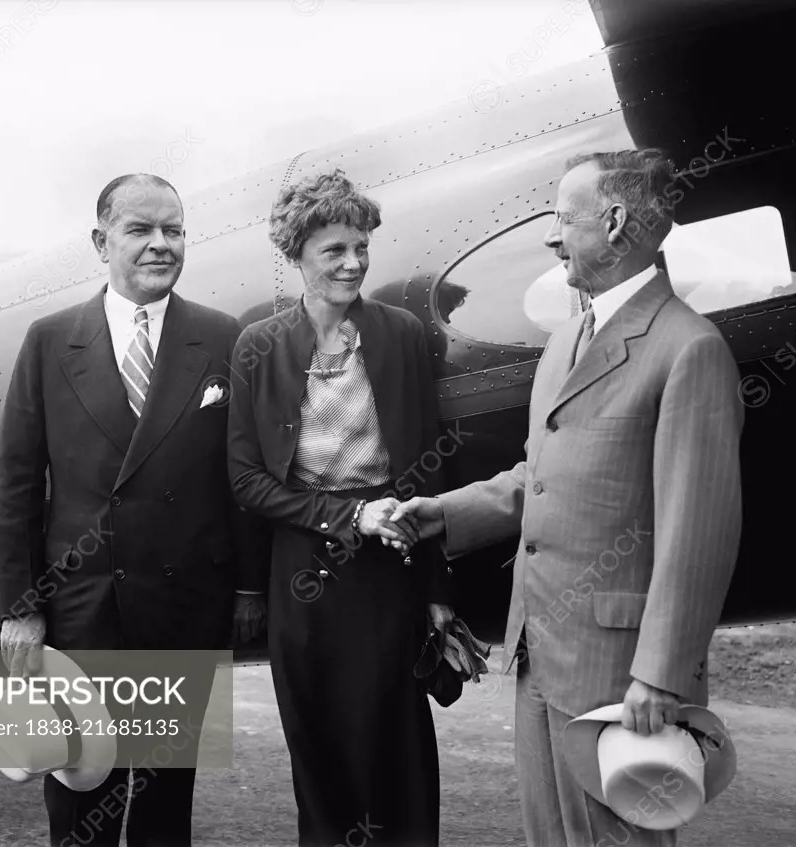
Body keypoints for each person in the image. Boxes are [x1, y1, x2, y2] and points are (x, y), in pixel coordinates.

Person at [391, 149, 745, 847]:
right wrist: (443, 512)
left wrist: (661, 674)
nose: (552, 236)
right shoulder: (566, 340)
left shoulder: (689, 349)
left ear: (614, 223)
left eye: (562, 216)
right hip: (540, 649)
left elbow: (696, 532)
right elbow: (540, 475)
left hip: (620, 669)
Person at [0, 173, 268, 847]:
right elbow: (18, 485)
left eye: (173, 230)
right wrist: (20, 607)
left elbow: (238, 475)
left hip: (184, 611)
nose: (159, 244)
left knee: (166, 807)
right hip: (84, 610)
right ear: (101, 240)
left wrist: (249, 585)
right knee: (81, 797)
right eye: (140, 230)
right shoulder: (50, 342)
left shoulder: (219, 335)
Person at [227, 168, 454, 847]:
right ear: (296, 255)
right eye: (334, 251)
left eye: (361, 247)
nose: (353, 263)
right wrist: (347, 517)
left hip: (391, 566)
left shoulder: (402, 333)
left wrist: (439, 589)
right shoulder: (257, 347)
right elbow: (245, 479)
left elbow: (430, 461)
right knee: (320, 752)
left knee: (399, 750)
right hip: (303, 571)